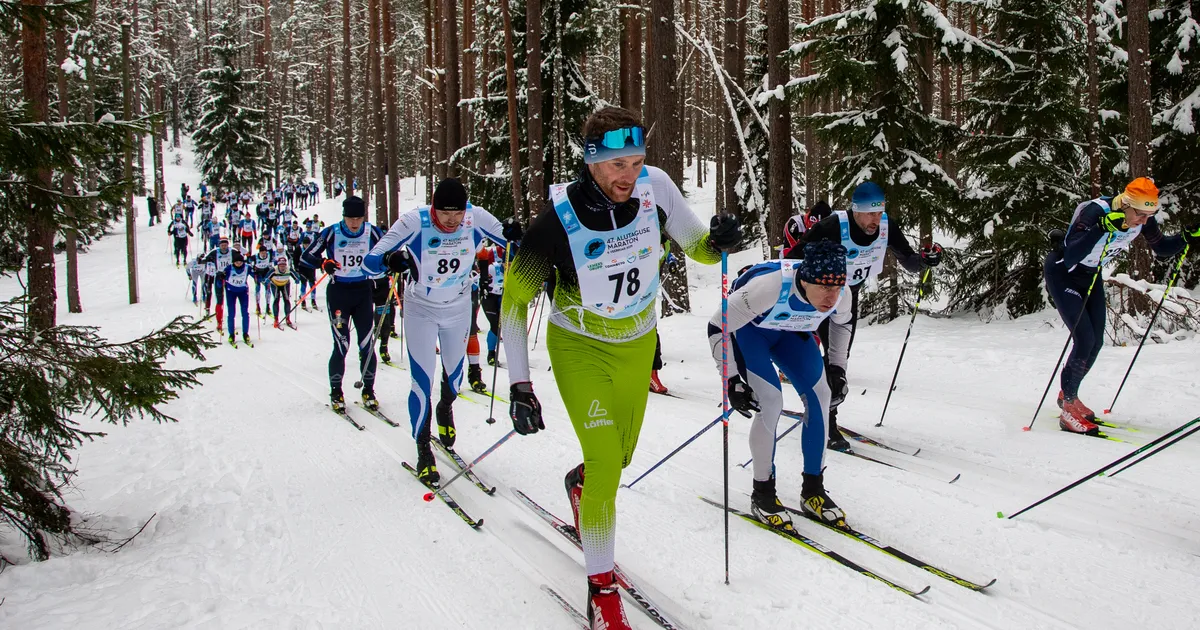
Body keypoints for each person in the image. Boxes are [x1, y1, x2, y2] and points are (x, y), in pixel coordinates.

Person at [498, 106, 741, 630]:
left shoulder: (655, 188)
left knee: (620, 457)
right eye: (615, 165)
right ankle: (601, 592)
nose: (627, 175)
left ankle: (582, 486)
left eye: (635, 162)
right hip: (580, 347)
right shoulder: (556, 222)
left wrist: (718, 241)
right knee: (608, 460)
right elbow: (514, 304)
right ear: (590, 162)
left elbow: (696, 245)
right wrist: (520, 383)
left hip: (636, 345)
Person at [363, 178, 511, 485]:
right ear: (433, 208)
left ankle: (445, 408)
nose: (452, 220)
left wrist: (517, 232)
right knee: (421, 380)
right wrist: (391, 260)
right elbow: (369, 262)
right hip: (421, 308)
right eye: (444, 213)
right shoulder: (413, 222)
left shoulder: (477, 218)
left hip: (458, 308)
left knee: (454, 377)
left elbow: (514, 240)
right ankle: (423, 450)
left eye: (457, 213)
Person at [709, 241, 852, 531]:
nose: (832, 296)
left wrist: (838, 368)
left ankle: (813, 490)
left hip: (791, 332)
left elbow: (842, 323)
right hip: (752, 332)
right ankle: (762, 492)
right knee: (770, 401)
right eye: (824, 288)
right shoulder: (769, 287)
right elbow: (717, 326)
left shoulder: (841, 293)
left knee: (821, 395)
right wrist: (732, 380)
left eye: (837, 288)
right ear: (805, 279)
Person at [793, 182, 942, 451]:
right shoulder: (831, 227)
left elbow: (907, 260)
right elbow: (791, 260)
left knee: (839, 363)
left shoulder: (886, 226)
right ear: (856, 211)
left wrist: (925, 260)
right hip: (815, 303)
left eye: (879, 212)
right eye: (870, 214)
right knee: (816, 360)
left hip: (846, 304)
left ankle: (827, 417)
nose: (876, 220)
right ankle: (824, 420)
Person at [1045, 177, 1198, 434]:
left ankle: (1068, 394)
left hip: (1090, 276)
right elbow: (1071, 255)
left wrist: (1185, 237)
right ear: (1126, 203)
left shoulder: (1141, 217)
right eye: (1140, 214)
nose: (1144, 221)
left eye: (1150, 215)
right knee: (1084, 339)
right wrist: (1101, 228)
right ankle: (1068, 410)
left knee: (1096, 342)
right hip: (1064, 273)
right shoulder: (1095, 211)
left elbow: (1161, 248)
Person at [300, 195, 385, 413]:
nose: (354, 223)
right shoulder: (331, 232)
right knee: (341, 345)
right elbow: (306, 256)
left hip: (363, 292)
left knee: (366, 345)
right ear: (343, 217)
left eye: (358, 218)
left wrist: (390, 264)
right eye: (350, 218)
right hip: (339, 293)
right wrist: (323, 262)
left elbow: (389, 252)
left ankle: (369, 390)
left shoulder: (372, 232)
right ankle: (336, 391)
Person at [217, 249, 252, 346]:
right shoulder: (229, 268)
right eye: (237, 262)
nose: (239, 263)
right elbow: (219, 284)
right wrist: (220, 278)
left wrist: (257, 274)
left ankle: (245, 333)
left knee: (245, 312)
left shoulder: (247, 267)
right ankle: (231, 334)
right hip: (230, 292)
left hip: (243, 292)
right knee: (231, 313)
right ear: (233, 262)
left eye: (240, 261)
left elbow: (257, 277)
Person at [202, 236, 235, 331]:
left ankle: (230, 321)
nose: (224, 247)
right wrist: (201, 260)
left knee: (230, 300)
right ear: (219, 245)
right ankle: (219, 322)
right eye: (222, 245)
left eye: (225, 245)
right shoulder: (215, 252)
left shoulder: (232, 251)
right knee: (219, 300)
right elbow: (206, 258)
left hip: (230, 277)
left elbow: (241, 258)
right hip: (219, 277)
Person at [269, 255, 297, 329]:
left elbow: (296, 276)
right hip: (275, 284)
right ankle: (276, 319)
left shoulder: (289, 269)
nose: (282, 267)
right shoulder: (274, 269)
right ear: (278, 265)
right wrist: (266, 281)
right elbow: (266, 277)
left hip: (285, 284)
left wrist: (297, 279)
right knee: (276, 299)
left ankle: (288, 318)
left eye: (284, 265)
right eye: (281, 265)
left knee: (287, 300)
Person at [249, 245, 275, 316]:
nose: (264, 254)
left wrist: (269, 275)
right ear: (259, 252)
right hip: (258, 274)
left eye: (265, 252)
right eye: (262, 253)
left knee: (268, 290)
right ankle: (258, 307)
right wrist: (253, 272)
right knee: (258, 289)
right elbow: (249, 265)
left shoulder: (269, 255)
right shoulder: (255, 257)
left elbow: (272, 266)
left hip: (266, 274)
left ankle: (268, 306)